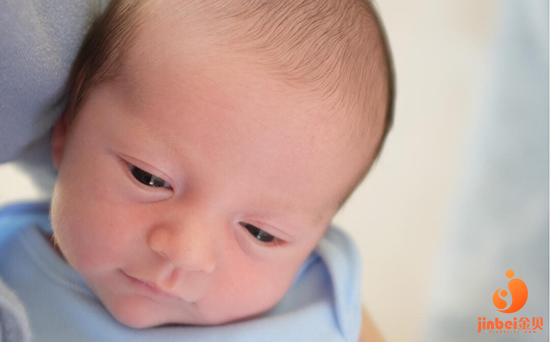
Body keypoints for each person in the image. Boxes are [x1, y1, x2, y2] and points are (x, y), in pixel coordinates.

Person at [0, 0, 393, 341]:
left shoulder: (321, 303)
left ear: (317, 239)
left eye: (260, 233)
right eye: (149, 178)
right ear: (66, 130)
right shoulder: (9, 275)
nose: (185, 252)